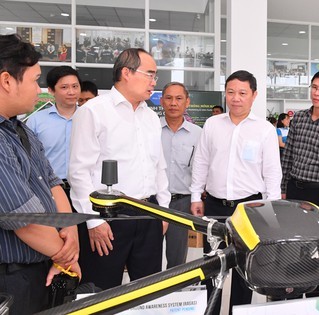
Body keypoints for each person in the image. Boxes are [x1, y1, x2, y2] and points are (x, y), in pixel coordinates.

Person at [68, 48, 171, 290]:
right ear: (127, 72)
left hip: (148, 213)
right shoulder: (94, 111)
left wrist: (163, 213)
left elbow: (159, 167)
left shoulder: (151, 117)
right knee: (102, 292)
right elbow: (79, 171)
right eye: (150, 75)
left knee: (148, 293)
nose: (154, 82)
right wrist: (93, 222)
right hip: (107, 217)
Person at [0, 34, 80, 315]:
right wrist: (66, 256)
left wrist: (70, 232)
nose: (39, 90)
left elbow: (52, 183)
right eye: (34, 80)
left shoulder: (23, 131)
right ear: (7, 81)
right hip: (10, 279)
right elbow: (24, 220)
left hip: (41, 267)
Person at [190, 70, 282, 315]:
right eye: (231, 92)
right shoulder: (212, 124)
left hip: (249, 209)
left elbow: (272, 173)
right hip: (215, 207)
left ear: (254, 96)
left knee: (244, 270)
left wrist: (270, 212)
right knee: (212, 267)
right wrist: (195, 196)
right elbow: (201, 162)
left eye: (242, 93)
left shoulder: (264, 129)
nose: (235, 98)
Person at [280, 69, 319, 298]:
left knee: (317, 249)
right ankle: (292, 290)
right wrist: (284, 189)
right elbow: (289, 155)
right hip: (296, 189)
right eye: (314, 87)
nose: (317, 93)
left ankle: (315, 294)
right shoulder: (300, 118)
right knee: (293, 243)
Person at [160, 82, 202, 268]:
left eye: (179, 98)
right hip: (152, 202)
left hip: (181, 202)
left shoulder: (198, 134)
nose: (173, 103)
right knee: (147, 255)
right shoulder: (150, 130)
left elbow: (201, 169)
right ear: (161, 101)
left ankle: (174, 295)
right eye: (168, 98)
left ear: (187, 102)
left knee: (177, 259)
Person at [27, 66, 80, 202]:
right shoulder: (36, 120)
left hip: (83, 191)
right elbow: (29, 159)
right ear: (51, 90)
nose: (71, 92)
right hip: (49, 190)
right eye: (64, 87)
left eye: (75, 86)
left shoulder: (91, 118)